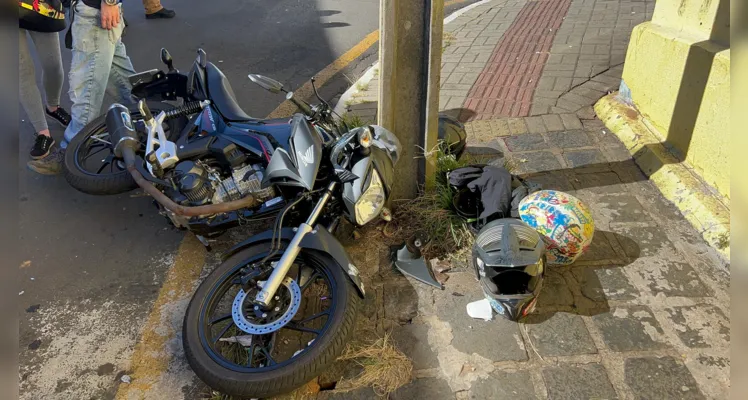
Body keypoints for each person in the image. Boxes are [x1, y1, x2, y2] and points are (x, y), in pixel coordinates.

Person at [28, 0, 136, 175]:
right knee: (124, 84)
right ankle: (161, 126)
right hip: (91, 12)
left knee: (87, 91)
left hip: (93, 13)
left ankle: (69, 153)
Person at [19, 0, 72, 161]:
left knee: (53, 65)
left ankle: (53, 106)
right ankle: (43, 132)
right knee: (21, 71)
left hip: (39, 5)